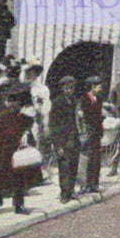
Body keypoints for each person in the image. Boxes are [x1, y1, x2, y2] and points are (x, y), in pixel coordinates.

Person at [0, 85, 39, 215]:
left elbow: (27, 128)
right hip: (2, 149)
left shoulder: (24, 115)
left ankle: (18, 204)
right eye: (11, 100)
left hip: (17, 149)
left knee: (19, 177)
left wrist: (25, 134)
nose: (13, 104)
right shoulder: (0, 113)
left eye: (16, 101)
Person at [47, 75, 80, 203]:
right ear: (62, 88)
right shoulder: (57, 102)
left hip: (73, 138)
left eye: (71, 88)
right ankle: (64, 193)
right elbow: (53, 124)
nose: (69, 91)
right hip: (63, 140)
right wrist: (58, 145)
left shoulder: (73, 101)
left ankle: (71, 190)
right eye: (67, 88)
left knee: (73, 165)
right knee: (64, 167)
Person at [80, 75, 106, 194]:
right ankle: (86, 183)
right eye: (99, 86)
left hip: (96, 132)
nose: (101, 88)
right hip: (88, 132)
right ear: (92, 87)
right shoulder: (85, 99)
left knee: (96, 158)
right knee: (88, 159)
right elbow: (85, 117)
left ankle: (94, 183)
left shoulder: (99, 99)